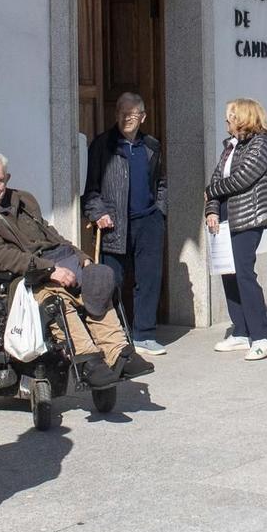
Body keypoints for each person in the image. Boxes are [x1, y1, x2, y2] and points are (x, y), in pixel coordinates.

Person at [0, 152, 147, 386]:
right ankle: (87, 360)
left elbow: (53, 237)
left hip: (50, 262)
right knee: (53, 295)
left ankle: (119, 353)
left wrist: (81, 258)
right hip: (16, 278)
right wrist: (49, 269)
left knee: (97, 279)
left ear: (7, 178)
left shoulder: (23, 200)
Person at [83, 92, 168, 356]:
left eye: (133, 114)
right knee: (113, 280)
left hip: (148, 221)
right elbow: (91, 190)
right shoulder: (102, 146)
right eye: (122, 112)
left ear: (142, 117)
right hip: (114, 224)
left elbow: (162, 182)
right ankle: (115, 336)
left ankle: (144, 335)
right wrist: (98, 212)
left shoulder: (152, 146)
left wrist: (160, 212)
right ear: (115, 114)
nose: (127, 118)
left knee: (149, 279)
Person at [204, 98, 267, 360]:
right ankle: (240, 331)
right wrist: (212, 209)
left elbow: (243, 178)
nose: (226, 122)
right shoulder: (231, 147)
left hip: (249, 215)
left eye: (229, 117)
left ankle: (262, 336)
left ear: (243, 118)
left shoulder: (262, 144)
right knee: (228, 271)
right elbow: (216, 178)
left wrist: (210, 192)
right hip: (226, 215)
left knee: (244, 272)